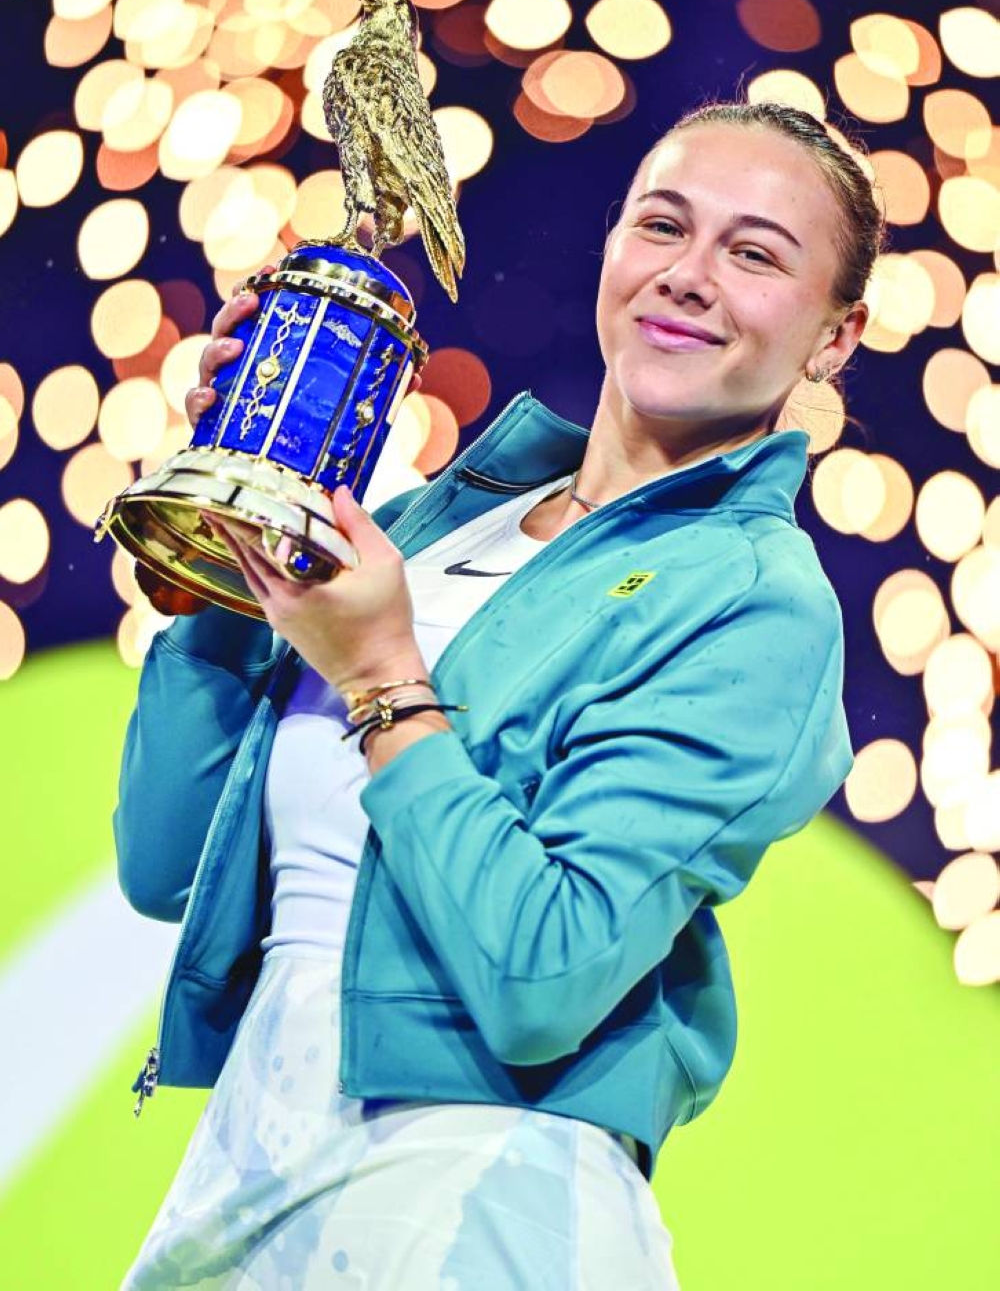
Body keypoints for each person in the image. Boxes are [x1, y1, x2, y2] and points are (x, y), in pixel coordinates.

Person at [116, 100, 882, 1289]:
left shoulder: (756, 601)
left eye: (754, 253)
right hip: (253, 1176)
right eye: (661, 226)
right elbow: (166, 867)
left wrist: (379, 678)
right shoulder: (435, 523)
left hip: (475, 1200)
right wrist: (235, 529)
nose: (687, 276)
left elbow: (543, 978)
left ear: (835, 338)